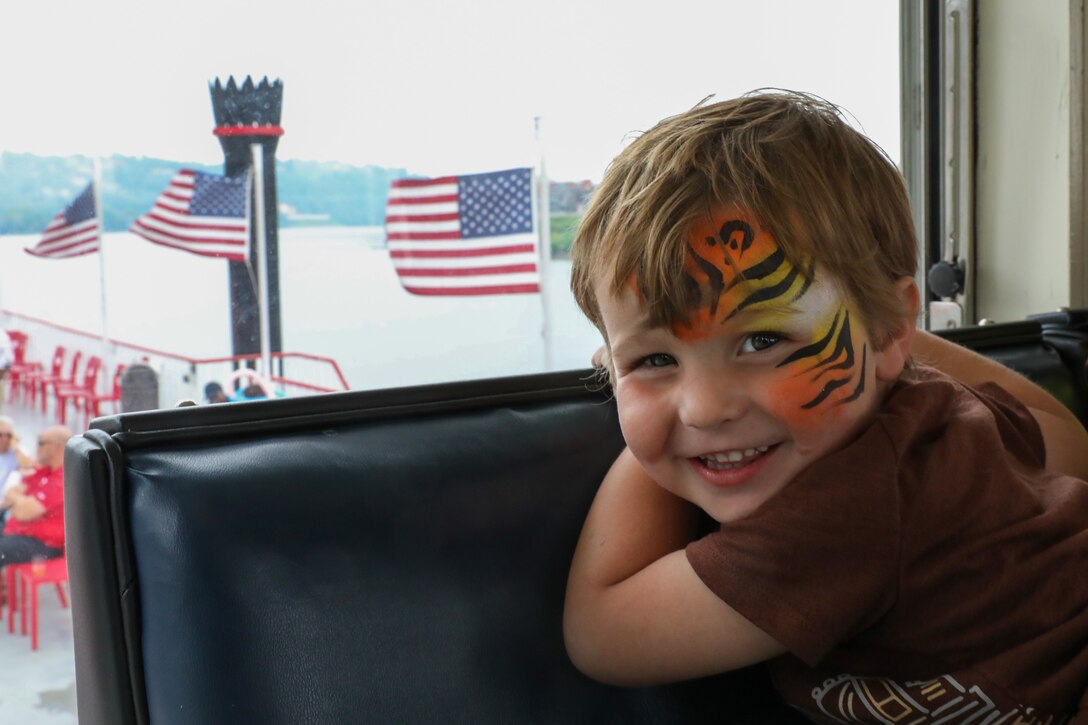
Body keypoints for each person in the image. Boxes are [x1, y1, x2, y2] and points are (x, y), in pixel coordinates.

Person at [562, 90, 1088, 721]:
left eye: (762, 340)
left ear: (892, 332)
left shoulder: (847, 516)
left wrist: (646, 410)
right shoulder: (942, 412)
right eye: (655, 361)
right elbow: (1070, 441)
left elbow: (604, 635)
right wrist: (877, 328)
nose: (701, 409)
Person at [0, 425, 72, 565]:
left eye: (41, 443)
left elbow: (22, 513)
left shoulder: (62, 478)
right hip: (20, 530)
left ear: (57, 447)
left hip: (44, 544)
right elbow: (9, 496)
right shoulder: (45, 471)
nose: (37, 448)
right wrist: (20, 501)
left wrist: (18, 501)